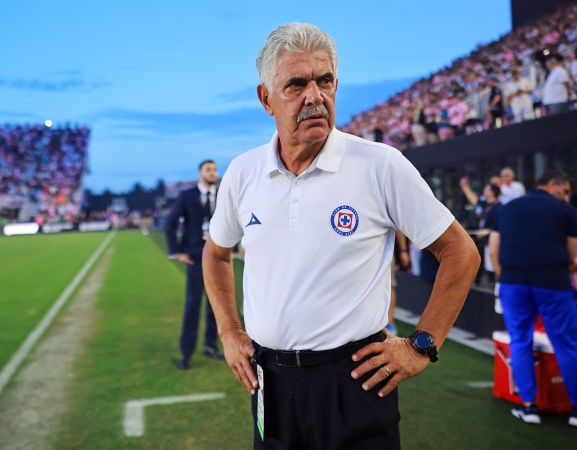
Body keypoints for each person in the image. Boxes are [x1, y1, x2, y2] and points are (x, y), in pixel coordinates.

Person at [202, 22, 480, 449]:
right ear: (265, 99)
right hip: (270, 384)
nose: (314, 96)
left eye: (325, 80)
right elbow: (216, 253)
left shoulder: (379, 165)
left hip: (355, 382)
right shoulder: (243, 173)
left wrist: (422, 344)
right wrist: (228, 332)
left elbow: (460, 252)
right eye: (296, 84)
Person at [488, 170, 577, 428]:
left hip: (513, 283)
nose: (566, 196)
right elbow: (572, 255)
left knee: (520, 341)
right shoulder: (564, 210)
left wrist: (505, 277)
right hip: (553, 283)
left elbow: (493, 249)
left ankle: (528, 406)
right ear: (553, 184)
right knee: (567, 344)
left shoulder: (507, 208)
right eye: (564, 191)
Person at [165, 160, 224, 370]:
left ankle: (211, 345)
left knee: (215, 306)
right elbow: (170, 223)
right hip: (196, 257)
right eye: (209, 170)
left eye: (215, 169)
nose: (213, 173)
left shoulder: (223, 192)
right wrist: (177, 251)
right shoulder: (187, 195)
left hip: (218, 258)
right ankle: (186, 352)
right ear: (200, 173)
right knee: (193, 306)